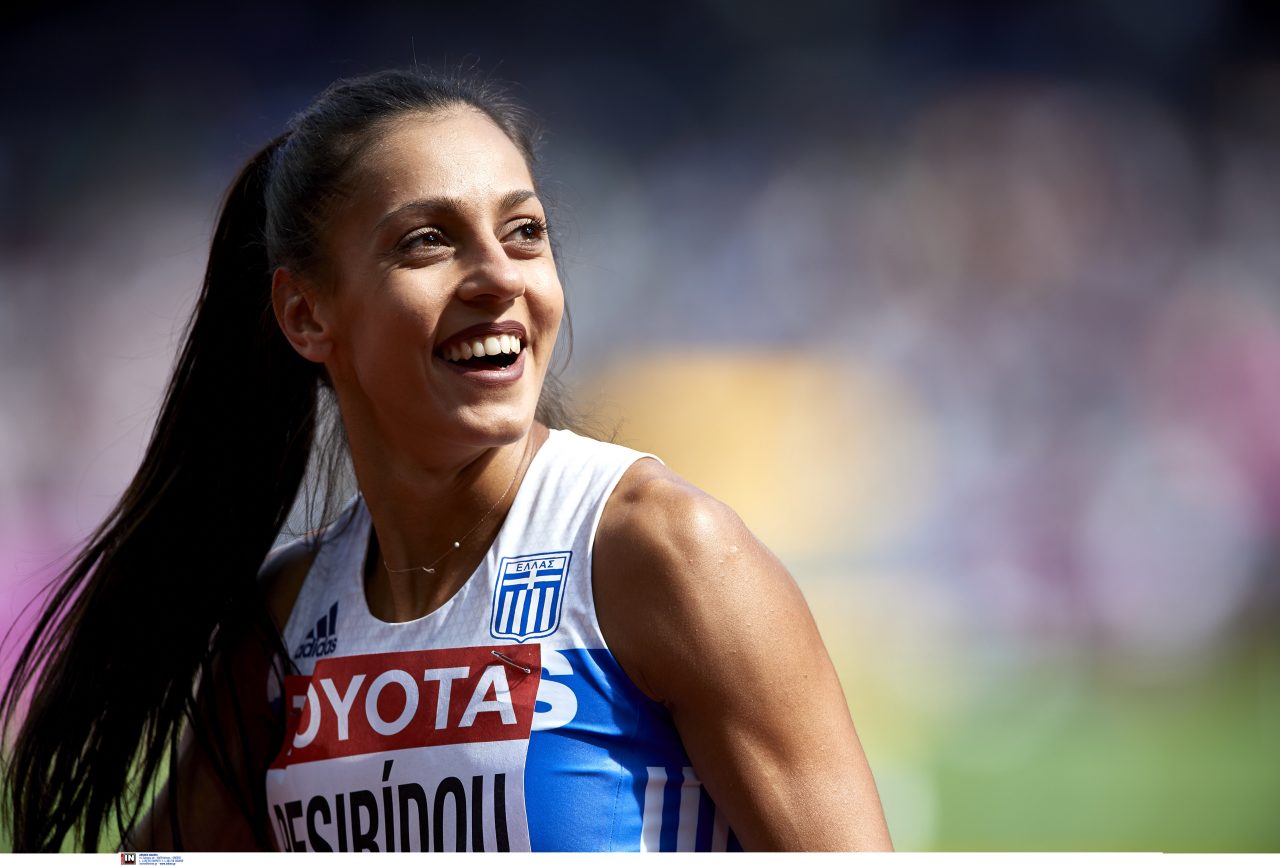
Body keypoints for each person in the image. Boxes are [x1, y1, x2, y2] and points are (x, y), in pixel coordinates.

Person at [0, 69, 892, 852]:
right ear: (306, 314)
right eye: (427, 239)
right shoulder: (285, 618)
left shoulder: (661, 553)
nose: (500, 277)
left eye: (525, 232)